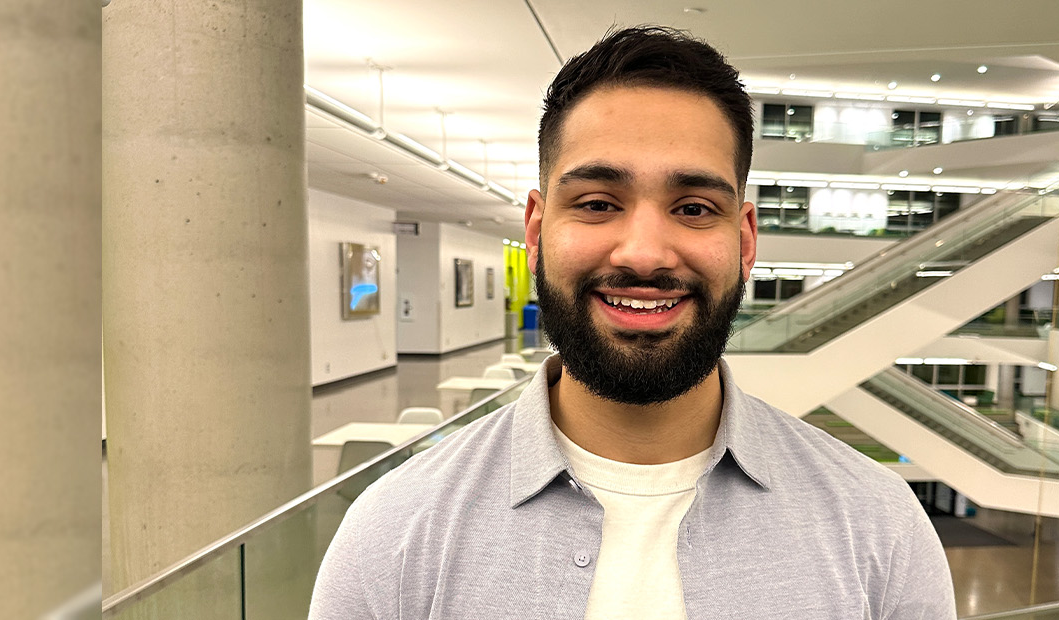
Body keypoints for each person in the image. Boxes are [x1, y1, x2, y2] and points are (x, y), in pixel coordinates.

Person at [311, 26, 955, 619]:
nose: (644, 253)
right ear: (536, 231)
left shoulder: (879, 526)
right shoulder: (395, 532)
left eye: (695, 207)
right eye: (596, 203)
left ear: (746, 239)